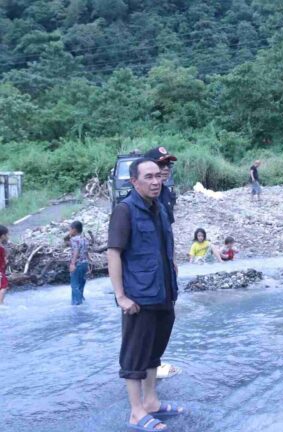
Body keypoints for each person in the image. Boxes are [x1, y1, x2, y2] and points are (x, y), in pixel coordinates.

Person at [107, 157, 186, 431]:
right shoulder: (125, 210)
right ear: (134, 181)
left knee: (154, 352)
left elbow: (166, 248)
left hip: (164, 292)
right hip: (138, 296)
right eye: (148, 177)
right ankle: (135, 411)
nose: (155, 181)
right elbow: (114, 253)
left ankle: (151, 402)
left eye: (158, 176)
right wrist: (120, 296)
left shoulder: (160, 208)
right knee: (135, 355)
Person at [144, 147, 178, 225]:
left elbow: (168, 224)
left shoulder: (166, 192)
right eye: (161, 164)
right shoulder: (139, 197)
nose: (166, 168)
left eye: (168, 164)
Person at [68, 221, 90, 305]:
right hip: (85, 263)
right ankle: (81, 299)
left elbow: (76, 252)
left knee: (74, 284)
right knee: (81, 282)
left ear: (74, 230)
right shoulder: (84, 239)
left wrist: (72, 264)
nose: (69, 231)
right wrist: (89, 262)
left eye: (70, 229)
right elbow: (86, 251)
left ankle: (77, 303)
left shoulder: (74, 239)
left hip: (77, 264)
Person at [0, 225, 9, 305]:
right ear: (2, 236)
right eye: (7, 235)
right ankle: (1, 304)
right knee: (4, 285)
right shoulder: (1, 247)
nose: (8, 237)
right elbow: (4, 261)